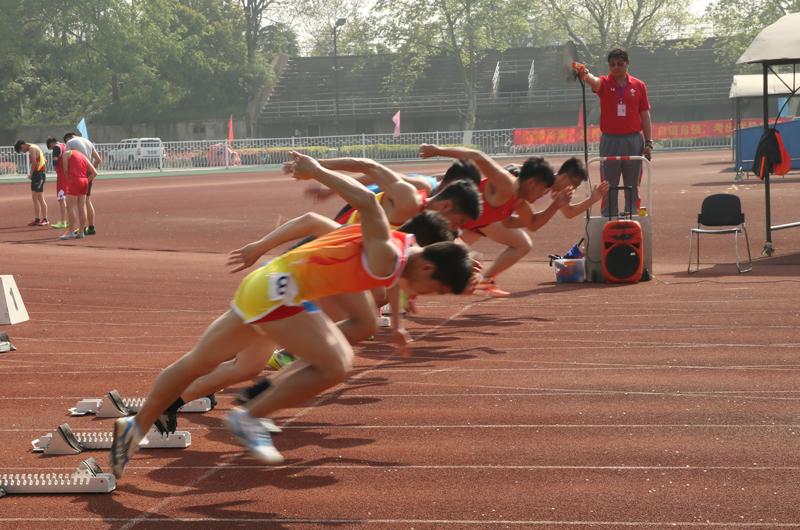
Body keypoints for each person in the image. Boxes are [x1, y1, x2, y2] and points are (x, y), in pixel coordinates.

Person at [109, 151, 477, 478]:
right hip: (277, 294)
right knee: (336, 363)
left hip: (268, 286)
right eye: (437, 290)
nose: (428, 296)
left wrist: (450, 272)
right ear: (428, 268)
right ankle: (249, 416)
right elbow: (367, 200)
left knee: (198, 362)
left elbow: (393, 265)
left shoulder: (403, 250)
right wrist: (317, 171)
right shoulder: (389, 255)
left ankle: (135, 428)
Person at [419, 144, 573, 297]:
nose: (543, 194)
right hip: (437, 211)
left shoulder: (520, 201)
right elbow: (477, 156)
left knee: (440, 264)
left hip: (457, 227)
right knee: (430, 260)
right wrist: (437, 150)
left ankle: (483, 281)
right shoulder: (506, 183)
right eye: (543, 189)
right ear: (532, 183)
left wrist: (556, 205)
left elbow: (532, 224)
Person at [572, 48, 652, 216]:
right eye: (612, 64)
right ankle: (609, 215)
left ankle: (632, 214)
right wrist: (584, 73)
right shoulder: (604, 83)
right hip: (610, 141)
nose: (616, 67)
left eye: (620, 64)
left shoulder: (639, 85)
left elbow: (645, 115)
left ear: (627, 64)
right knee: (608, 183)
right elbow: (593, 81)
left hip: (633, 140)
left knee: (633, 183)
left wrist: (648, 142)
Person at [52, 146, 97, 240]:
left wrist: (70, 182)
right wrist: (86, 181)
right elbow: (94, 173)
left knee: (70, 206)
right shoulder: (83, 156)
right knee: (82, 207)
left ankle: (71, 231)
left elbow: (65, 171)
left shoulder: (67, 153)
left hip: (75, 180)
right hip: (84, 181)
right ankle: (81, 232)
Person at [63, 132, 102, 235]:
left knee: (73, 204)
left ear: (68, 138)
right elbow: (98, 159)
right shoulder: (88, 142)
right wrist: (90, 170)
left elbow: (66, 160)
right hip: (87, 173)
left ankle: (78, 229)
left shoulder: (70, 142)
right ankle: (91, 227)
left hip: (76, 174)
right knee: (87, 200)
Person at [14, 140, 48, 226]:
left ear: (22, 146)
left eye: (21, 150)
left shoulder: (32, 148)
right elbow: (45, 160)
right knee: (35, 197)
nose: (23, 152)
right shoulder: (34, 147)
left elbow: (34, 163)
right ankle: (37, 219)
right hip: (38, 174)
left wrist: (31, 174)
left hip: (38, 174)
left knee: (39, 197)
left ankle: (45, 219)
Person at [46, 138, 69, 229]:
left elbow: (55, 161)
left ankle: (63, 222)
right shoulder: (64, 145)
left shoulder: (56, 147)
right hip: (67, 174)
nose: (51, 148)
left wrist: (54, 166)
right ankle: (69, 220)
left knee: (61, 199)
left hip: (62, 176)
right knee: (68, 199)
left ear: (51, 143)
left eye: (50, 147)